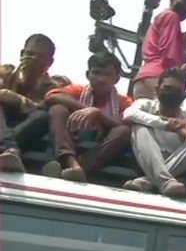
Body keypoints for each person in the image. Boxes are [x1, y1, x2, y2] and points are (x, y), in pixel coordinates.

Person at [42, 52, 133, 182]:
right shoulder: (78, 90)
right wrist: (85, 109)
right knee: (58, 109)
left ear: (117, 78)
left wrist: (97, 113)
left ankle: (80, 169)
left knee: (123, 131)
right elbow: (51, 97)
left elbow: (122, 125)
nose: (101, 79)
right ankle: (70, 161)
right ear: (87, 75)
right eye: (96, 73)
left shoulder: (124, 101)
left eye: (107, 74)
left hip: (101, 144)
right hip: (75, 137)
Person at [122, 68, 186, 198]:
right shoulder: (145, 104)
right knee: (139, 127)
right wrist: (167, 125)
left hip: (178, 161)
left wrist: (185, 131)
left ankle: (148, 181)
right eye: (167, 88)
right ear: (157, 89)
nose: (171, 93)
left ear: (184, 95)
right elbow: (129, 114)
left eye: (177, 91)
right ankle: (166, 182)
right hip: (145, 160)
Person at [0, 34, 60, 172]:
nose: (33, 59)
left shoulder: (53, 87)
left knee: (43, 116)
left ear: (49, 62)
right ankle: (9, 148)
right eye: (30, 54)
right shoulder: (6, 72)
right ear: (22, 54)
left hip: (27, 127)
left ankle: (9, 150)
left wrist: (17, 98)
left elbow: (38, 107)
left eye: (40, 57)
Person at [133, 0, 186, 99]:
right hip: (160, 78)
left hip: (144, 77)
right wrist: (181, 72)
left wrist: (184, 47)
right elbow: (169, 53)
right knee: (170, 113)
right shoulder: (171, 16)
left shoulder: (162, 18)